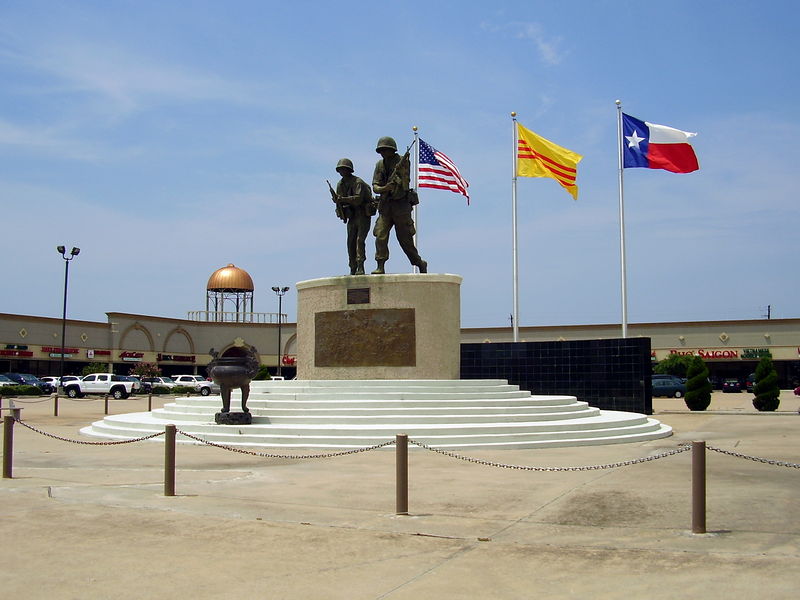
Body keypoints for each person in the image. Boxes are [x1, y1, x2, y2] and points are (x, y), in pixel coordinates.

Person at [371, 136, 427, 274]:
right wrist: (385, 188)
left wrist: (397, 179)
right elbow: (375, 186)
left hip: (401, 206)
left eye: (386, 150)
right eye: (381, 150)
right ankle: (380, 265)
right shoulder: (379, 165)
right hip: (385, 206)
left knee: (405, 240)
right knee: (380, 235)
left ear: (392, 150)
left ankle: (419, 262)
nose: (383, 153)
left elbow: (404, 183)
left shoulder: (403, 162)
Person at [332, 158, 374, 275]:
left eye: (344, 169)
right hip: (352, 216)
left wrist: (342, 199)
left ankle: (360, 265)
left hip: (362, 215)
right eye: (340, 170)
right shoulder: (340, 184)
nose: (342, 172)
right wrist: (339, 208)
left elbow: (357, 199)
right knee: (350, 242)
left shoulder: (358, 182)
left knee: (359, 241)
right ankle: (352, 266)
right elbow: (339, 201)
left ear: (349, 170)